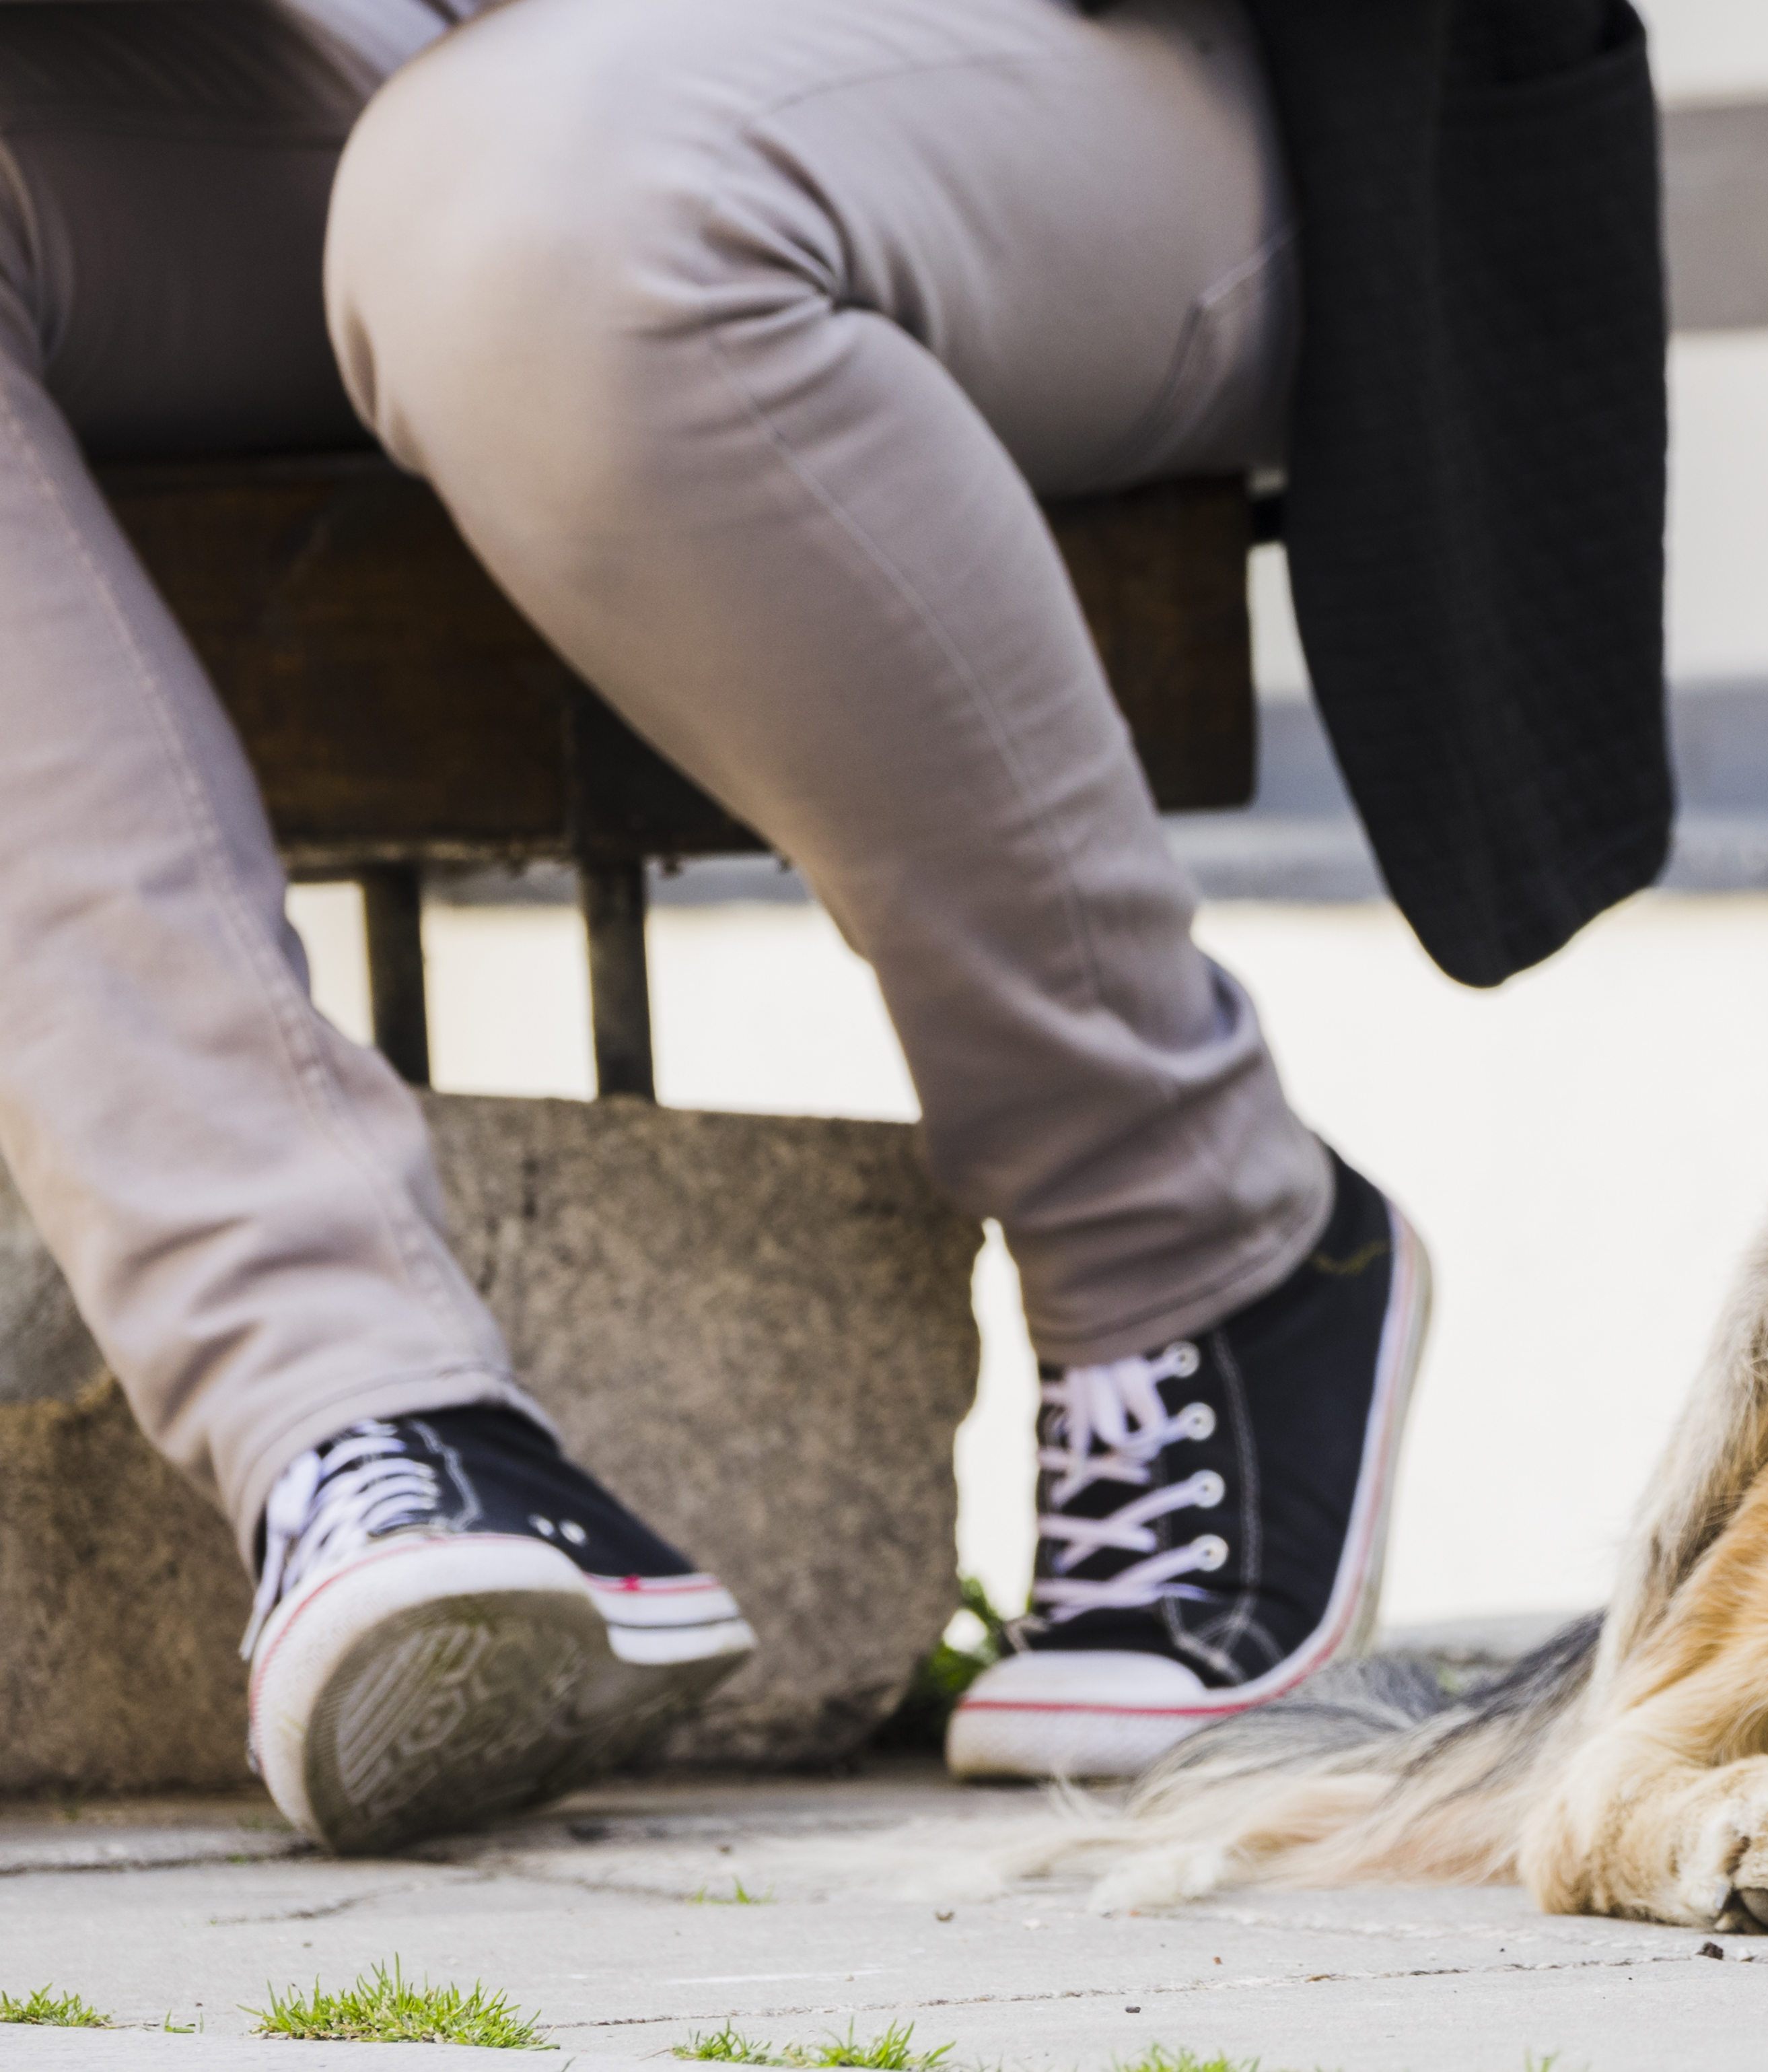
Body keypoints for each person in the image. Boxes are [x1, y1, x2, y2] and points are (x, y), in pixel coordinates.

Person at [0, 0, 1670, 1852]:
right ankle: (360, 1420)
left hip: (1086, 75)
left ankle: (1194, 1234)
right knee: (496, 166)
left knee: (545, 205)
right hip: (375, 68)